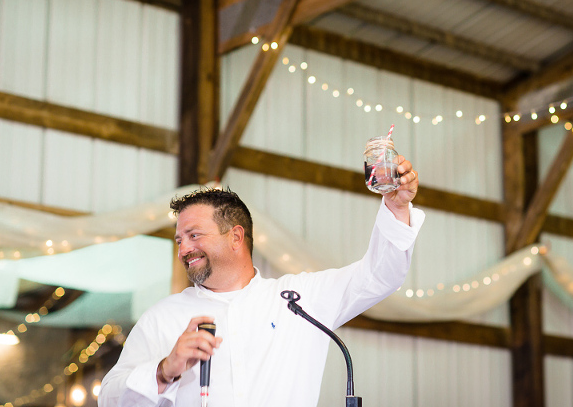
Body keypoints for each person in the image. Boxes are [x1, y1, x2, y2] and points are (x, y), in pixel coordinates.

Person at [98, 156, 423, 407]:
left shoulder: (299, 300)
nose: (183, 248)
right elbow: (109, 399)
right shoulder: (163, 317)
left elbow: (379, 276)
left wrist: (396, 207)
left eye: (194, 235)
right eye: (179, 239)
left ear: (236, 237)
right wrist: (164, 370)